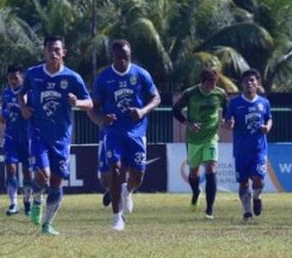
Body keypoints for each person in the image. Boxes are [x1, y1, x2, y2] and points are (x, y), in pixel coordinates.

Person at [19, 35, 93, 235]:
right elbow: (21, 93)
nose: (53, 53)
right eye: (50, 49)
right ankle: (36, 200)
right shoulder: (33, 74)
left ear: (64, 52)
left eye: (57, 50)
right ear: (44, 51)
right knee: (43, 174)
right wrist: (24, 107)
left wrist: (77, 102)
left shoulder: (72, 78)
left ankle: (47, 223)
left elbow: (90, 103)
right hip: (37, 133)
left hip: (61, 137)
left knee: (57, 181)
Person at [89, 40, 161, 231]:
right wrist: (102, 119)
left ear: (131, 56)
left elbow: (156, 98)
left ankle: (127, 190)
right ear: (112, 57)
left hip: (137, 132)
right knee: (115, 170)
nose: (122, 61)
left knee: (137, 176)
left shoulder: (141, 74)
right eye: (118, 57)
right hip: (113, 132)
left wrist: (142, 111)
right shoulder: (103, 78)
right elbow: (93, 107)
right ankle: (117, 218)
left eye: (126, 57)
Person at [172, 67, 228, 220]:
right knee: (194, 172)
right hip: (194, 139)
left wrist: (226, 119)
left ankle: (209, 210)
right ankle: (196, 192)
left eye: (214, 83)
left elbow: (228, 108)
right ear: (202, 82)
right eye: (209, 84)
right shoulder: (190, 93)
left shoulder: (220, 93)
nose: (212, 87)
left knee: (211, 167)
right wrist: (188, 123)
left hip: (211, 137)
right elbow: (175, 110)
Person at [224, 69, 272, 223]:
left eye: (252, 80)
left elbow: (269, 119)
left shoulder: (264, 103)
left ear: (257, 83)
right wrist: (228, 124)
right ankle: (247, 213)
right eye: (246, 81)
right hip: (241, 151)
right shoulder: (234, 103)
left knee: (258, 178)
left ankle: (257, 197)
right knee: (243, 182)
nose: (249, 83)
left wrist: (267, 127)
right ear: (242, 84)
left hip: (258, 149)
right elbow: (227, 122)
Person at [0, 64, 32, 216]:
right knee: (10, 168)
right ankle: (13, 203)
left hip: (26, 137)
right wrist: (4, 115)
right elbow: (3, 116)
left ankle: (27, 199)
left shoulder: (29, 93)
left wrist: (21, 109)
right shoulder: (6, 93)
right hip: (10, 137)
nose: (13, 81)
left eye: (16, 78)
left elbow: (31, 113)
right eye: (10, 78)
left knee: (27, 171)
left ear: (22, 78)